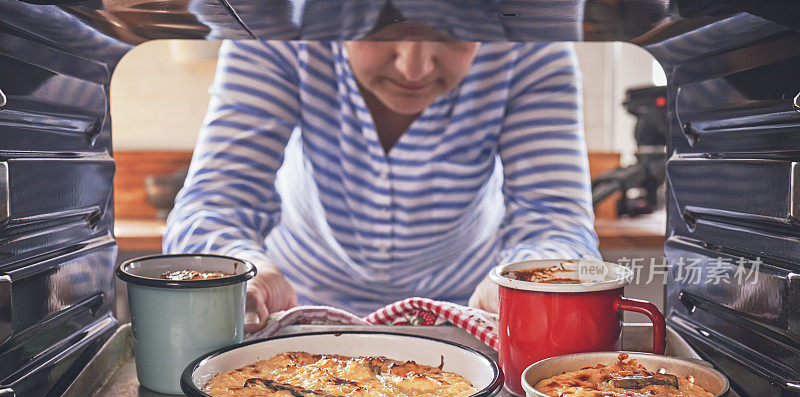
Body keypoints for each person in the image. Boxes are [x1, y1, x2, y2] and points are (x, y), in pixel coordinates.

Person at [164, 21, 600, 332]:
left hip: (466, 312)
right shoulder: (272, 30)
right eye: (382, 25)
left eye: (452, 28)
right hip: (297, 305)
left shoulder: (533, 43)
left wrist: (521, 283)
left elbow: (555, 218)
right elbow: (216, 203)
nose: (414, 67)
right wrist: (245, 273)